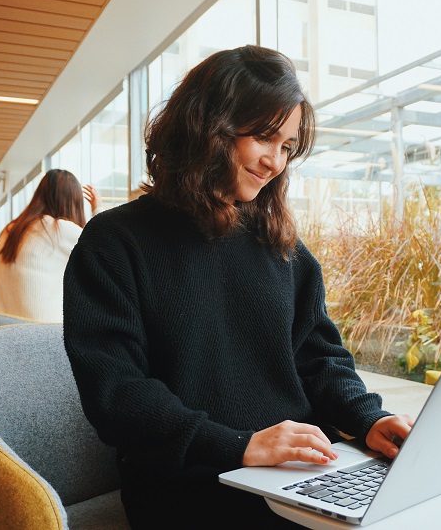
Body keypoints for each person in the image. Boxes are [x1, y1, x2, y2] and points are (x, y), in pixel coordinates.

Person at [63, 46, 414, 529]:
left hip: (303, 470)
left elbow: (320, 358)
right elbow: (117, 393)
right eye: (265, 138)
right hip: (194, 486)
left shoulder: (281, 246)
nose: (276, 162)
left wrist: (367, 419)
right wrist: (240, 446)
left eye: (288, 147)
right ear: (208, 125)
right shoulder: (114, 242)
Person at [0, 169, 101, 322]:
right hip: (45, 338)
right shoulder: (58, 229)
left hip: (3, 336)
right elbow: (108, 251)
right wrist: (98, 208)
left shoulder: (9, 231)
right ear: (73, 202)